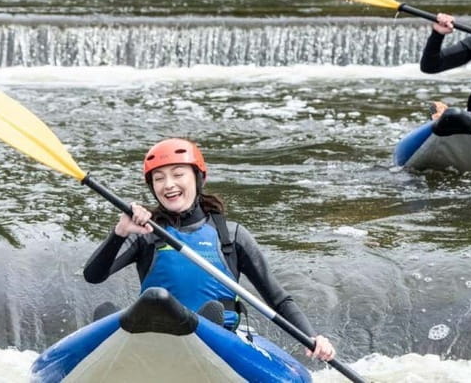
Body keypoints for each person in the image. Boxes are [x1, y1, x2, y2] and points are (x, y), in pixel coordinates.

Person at [83, 137, 336, 362]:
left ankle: (202, 330)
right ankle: (124, 335)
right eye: (159, 179)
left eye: (178, 174)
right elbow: (93, 275)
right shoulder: (147, 234)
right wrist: (120, 233)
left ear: (198, 177)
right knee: (153, 300)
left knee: (207, 318)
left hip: (220, 339)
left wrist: (312, 337)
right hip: (159, 337)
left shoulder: (230, 236)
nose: (168, 184)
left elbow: (278, 299)